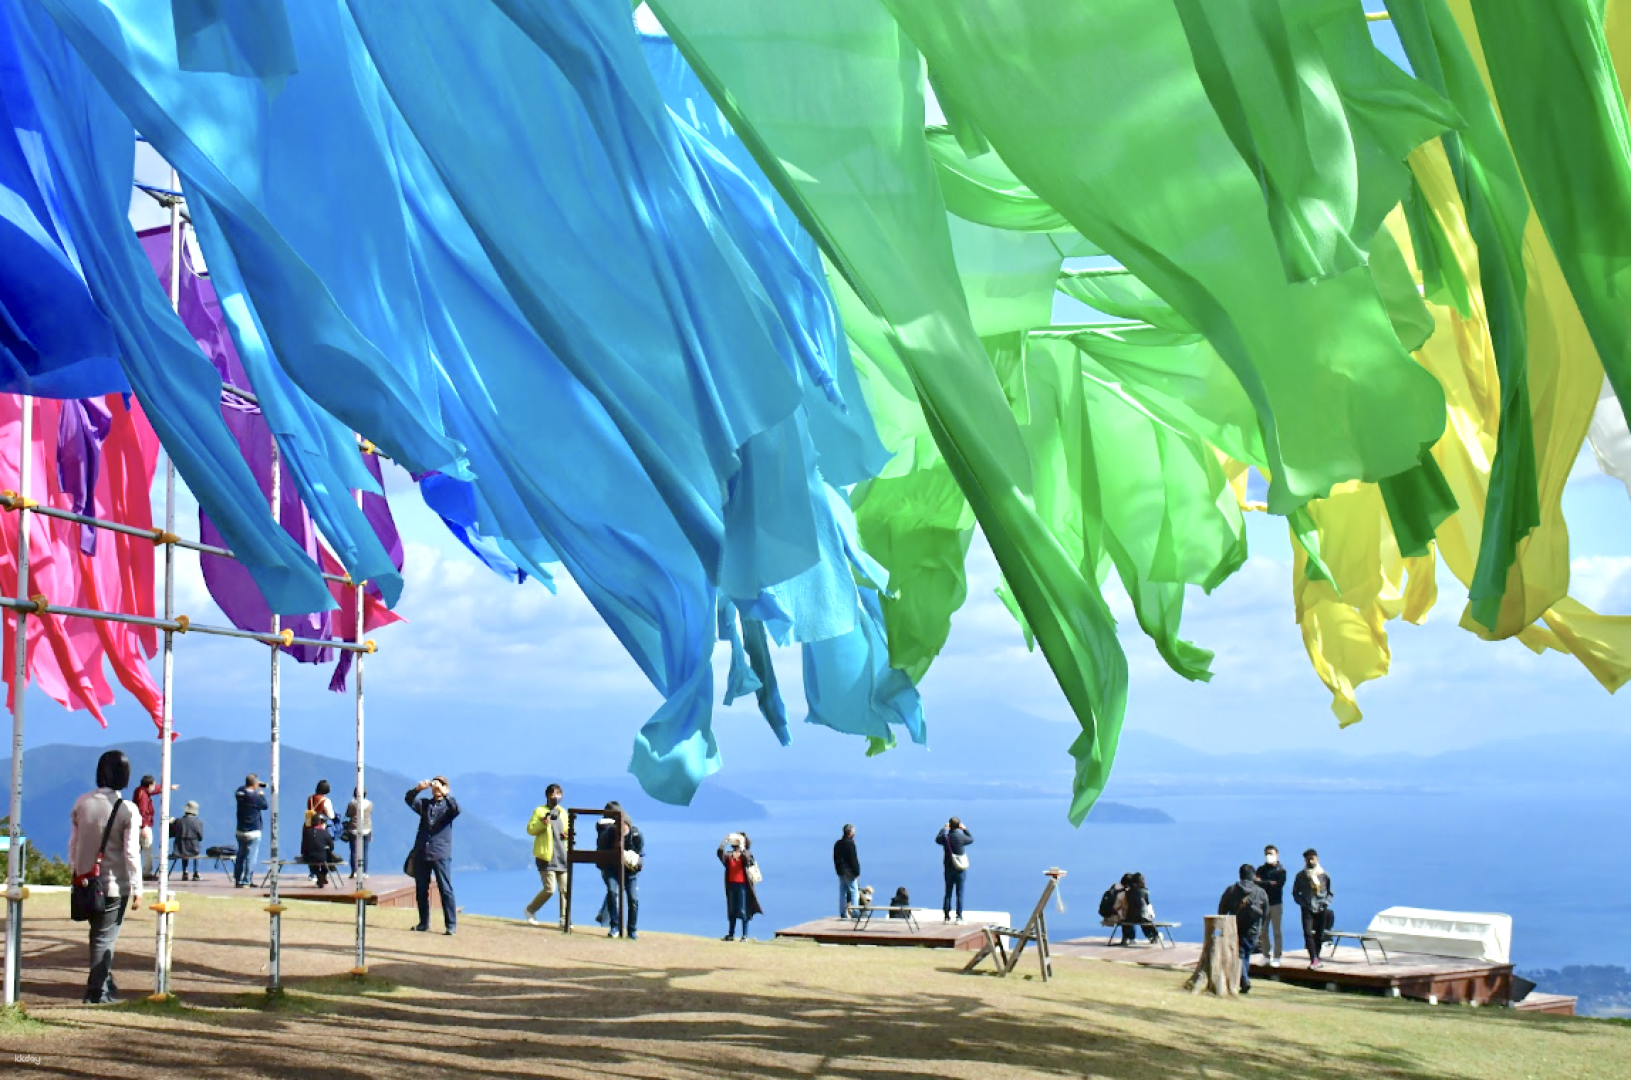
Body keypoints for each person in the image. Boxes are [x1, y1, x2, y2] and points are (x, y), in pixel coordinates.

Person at [69, 749, 142, 1003]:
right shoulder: (127, 809)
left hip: (85, 882)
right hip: (113, 884)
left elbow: (73, 844)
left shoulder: (82, 802)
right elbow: (131, 854)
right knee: (105, 937)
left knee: (97, 935)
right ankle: (97, 992)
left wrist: (76, 874)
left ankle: (105, 985)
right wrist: (138, 888)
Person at [405, 776, 460, 935]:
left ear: (446, 788)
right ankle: (424, 923)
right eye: (435, 784)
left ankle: (451, 925)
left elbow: (456, 809)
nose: (437, 787)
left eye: (441, 784)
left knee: (446, 890)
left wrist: (445, 793)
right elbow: (408, 799)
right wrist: (418, 789)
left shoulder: (449, 806)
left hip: (440, 853)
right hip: (422, 852)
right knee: (421, 889)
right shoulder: (425, 804)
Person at [595, 802, 644, 940]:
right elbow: (600, 854)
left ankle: (632, 930)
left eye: (624, 826)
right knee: (612, 892)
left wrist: (635, 861)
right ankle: (614, 927)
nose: (622, 828)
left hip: (631, 872)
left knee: (633, 898)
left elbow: (642, 855)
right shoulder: (608, 834)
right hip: (611, 868)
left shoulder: (636, 835)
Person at [524, 783, 570, 928]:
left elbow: (567, 831)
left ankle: (564, 919)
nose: (555, 797)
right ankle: (530, 910)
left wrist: (566, 835)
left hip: (562, 855)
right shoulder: (539, 811)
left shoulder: (563, 812)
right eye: (553, 794)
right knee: (550, 889)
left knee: (565, 889)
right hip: (546, 856)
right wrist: (543, 824)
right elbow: (530, 830)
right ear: (547, 796)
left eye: (558, 794)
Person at [1218, 863, 1269, 994]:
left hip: (1236, 927)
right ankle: (1244, 979)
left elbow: (1222, 909)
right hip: (1254, 930)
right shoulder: (1261, 892)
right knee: (1245, 954)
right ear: (1253, 876)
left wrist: (1223, 925)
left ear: (1240, 875)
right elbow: (1266, 912)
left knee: (1240, 954)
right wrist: (1261, 928)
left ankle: (1244, 980)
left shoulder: (1232, 890)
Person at [1292, 847, 1334, 969]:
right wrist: (1302, 903)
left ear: (1317, 859)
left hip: (1321, 908)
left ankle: (1317, 957)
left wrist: (1326, 903)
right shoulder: (1301, 876)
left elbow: (1330, 892)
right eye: (1308, 859)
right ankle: (1313, 958)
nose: (1310, 862)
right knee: (1307, 933)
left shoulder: (1324, 875)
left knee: (1320, 935)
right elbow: (1295, 893)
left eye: (1312, 859)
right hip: (1307, 908)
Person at [718, 831, 762, 941]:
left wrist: (742, 847)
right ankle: (731, 934)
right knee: (732, 910)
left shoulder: (745, 854)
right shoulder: (729, 856)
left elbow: (748, 859)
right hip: (732, 885)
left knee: (743, 911)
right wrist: (724, 842)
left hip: (743, 886)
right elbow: (720, 853)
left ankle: (744, 935)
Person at [935, 817, 973, 924]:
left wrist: (944, 828)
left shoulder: (946, 838)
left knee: (948, 892)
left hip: (948, 868)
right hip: (960, 869)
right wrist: (964, 829)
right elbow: (971, 839)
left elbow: (937, 839)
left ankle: (946, 917)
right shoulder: (961, 837)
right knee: (959, 893)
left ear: (950, 825)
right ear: (959, 826)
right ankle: (959, 917)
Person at [1255, 844, 1288, 967]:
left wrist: (1263, 883)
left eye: (1271, 853)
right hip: (1263, 904)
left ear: (1277, 855)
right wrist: (1269, 883)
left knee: (1276, 931)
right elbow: (1256, 883)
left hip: (1276, 904)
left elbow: (1278, 885)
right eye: (1267, 854)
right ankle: (1265, 955)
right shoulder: (1261, 869)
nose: (1269, 856)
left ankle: (1277, 956)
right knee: (1263, 931)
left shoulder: (1281, 871)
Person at [234, 774, 268, 888]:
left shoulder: (239, 794)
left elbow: (242, 789)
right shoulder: (256, 798)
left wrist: (253, 786)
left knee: (240, 854)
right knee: (250, 857)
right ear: (254, 784)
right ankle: (247, 880)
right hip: (253, 831)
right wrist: (261, 794)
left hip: (240, 830)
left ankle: (237, 879)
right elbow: (265, 806)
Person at [1120, 873, 1160, 945]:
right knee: (1144, 918)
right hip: (1142, 917)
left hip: (1131, 917)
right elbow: (1148, 905)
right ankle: (1154, 935)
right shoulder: (1144, 891)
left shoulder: (1128, 893)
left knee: (1128, 919)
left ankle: (1127, 938)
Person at [302, 811, 337, 888]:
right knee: (328, 859)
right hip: (321, 857)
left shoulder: (307, 832)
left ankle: (320, 877)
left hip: (308, 857)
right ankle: (322, 876)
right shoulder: (325, 832)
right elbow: (331, 847)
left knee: (312, 863)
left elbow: (303, 846)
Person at [343, 787, 373, 878]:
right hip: (366, 828)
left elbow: (348, 814)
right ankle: (364, 872)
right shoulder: (370, 804)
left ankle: (354, 871)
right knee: (365, 851)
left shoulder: (352, 804)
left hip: (354, 828)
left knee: (353, 851)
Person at [171, 800, 204, 881]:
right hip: (193, 849)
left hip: (179, 849)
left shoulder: (178, 821)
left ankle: (184, 872)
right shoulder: (198, 822)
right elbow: (200, 837)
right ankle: (196, 873)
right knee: (197, 853)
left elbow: (171, 833)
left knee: (184, 853)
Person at [833, 824, 861, 918]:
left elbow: (835, 858)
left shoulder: (838, 843)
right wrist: (857, 872)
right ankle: (855, 912)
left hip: (841, 871)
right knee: (854, 891)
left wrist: (838, 870)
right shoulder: (850, 844)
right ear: (851, 832)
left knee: (842, 891)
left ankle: (842, 913)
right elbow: (853, 859)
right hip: (849, 872)